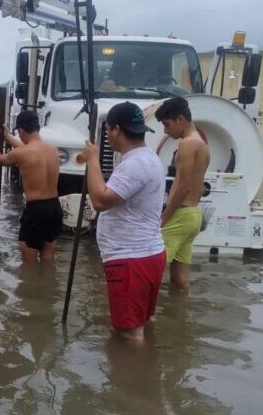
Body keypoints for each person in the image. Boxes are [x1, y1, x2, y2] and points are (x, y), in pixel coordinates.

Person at [81, 101, 166, 341]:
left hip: (131, 258)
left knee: (129, 333)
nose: (107, 135)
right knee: (139, 324)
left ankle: (131, 376)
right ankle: (147, 369)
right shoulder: (148, 157)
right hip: (146, 254)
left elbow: (100, 200)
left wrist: (92, 160)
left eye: (107, 130)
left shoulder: (135, 164)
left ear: (116, 129)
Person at [0, 110, 61, 262]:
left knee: (29, 258)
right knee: (48, 255)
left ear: (21, 130)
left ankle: (30, 285)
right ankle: (48, 284)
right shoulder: (53, 150)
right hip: (55, 207)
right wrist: (8, 138)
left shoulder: (22, 153)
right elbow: (28, 149)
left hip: (36, 209)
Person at [155, 96, 210, 290]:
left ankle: (144, 318)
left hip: (179, 215)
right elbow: (199, 186)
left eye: (167, 124)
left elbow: (184, 185)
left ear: (180, 119)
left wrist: (163, 218)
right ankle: (179, 316)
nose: (166, 131)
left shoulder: (187, 144)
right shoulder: (202, 144)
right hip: (193, 215)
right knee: (180, 282)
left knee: (151, 271)